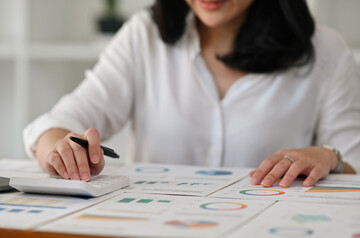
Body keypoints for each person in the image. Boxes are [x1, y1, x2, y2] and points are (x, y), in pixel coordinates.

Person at [23, 0, 360, 188]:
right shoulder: (145, 36)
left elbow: (354, 163)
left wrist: (329, 156)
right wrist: (60, 150)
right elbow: (56, 123)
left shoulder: (325, 51)